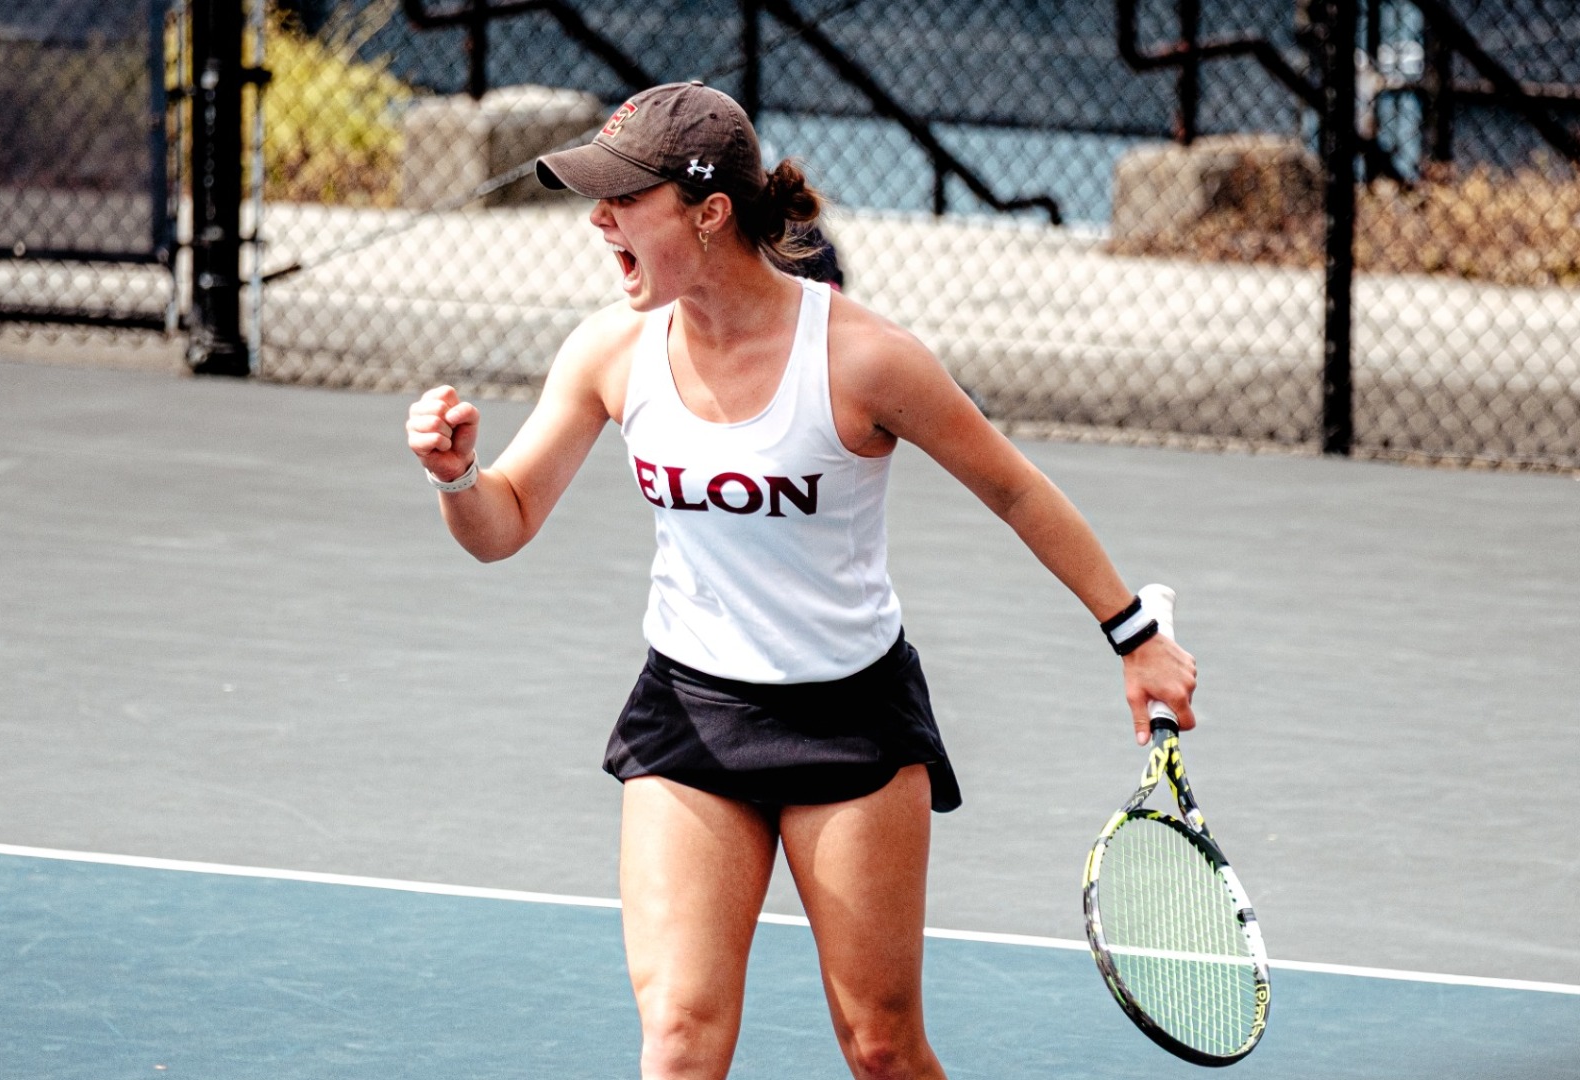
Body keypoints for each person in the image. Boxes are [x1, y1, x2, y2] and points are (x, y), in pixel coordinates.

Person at [404, 81, 1196, 1080]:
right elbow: (502, 526)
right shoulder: (610, 351)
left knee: (880, 1047)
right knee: (680, 1040)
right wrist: (457, 478)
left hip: (849, 724)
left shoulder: (865, 360)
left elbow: (1015, 490)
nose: (597, 218)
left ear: (709, 212)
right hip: (689, 719)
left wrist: (1136, 637)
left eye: (622, 198)